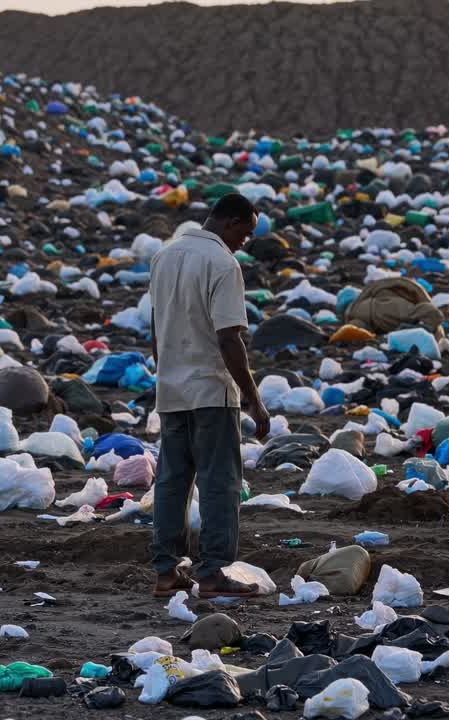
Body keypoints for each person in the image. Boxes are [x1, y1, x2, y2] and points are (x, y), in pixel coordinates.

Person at [148, 193, 270, 599]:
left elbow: (156, 329)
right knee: (220, 483)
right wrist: (253, 398)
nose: (243, 243)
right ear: (231, 223)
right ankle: (214, 571)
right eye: (245, 234)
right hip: (211, 390)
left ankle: (167, 571)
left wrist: (165, 373)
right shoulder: (222, 263)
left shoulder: (164, 256)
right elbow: (229, 338)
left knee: (172, 482)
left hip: (171, 389)